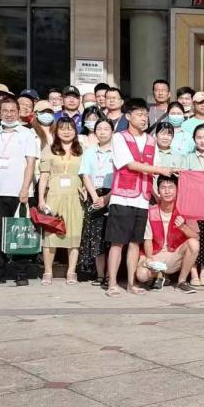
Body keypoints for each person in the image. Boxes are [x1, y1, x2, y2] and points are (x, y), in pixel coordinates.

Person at [105, 99, 175, 297]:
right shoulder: (119, 138)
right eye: (139, 114)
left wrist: (157, 194)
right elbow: (130, 164)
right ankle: (112, 283)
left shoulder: (151, 141)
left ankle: (131, 283)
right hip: (122, 197)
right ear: (128, 116)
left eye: (145, 115)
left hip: (142, 198)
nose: (144, 118)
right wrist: (161, 170)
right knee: (117, 242)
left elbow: (155, 169)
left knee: (135, 242)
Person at [0, 96, 40, 286]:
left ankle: (21, 272)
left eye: (12, 110)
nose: (9, 114)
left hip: (20, 192)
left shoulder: (27, 133)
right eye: (5, 110)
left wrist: (25, 188)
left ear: (18, 112)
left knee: (20, 232)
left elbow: (31, 162)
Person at [37, 118, 85, 285]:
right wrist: (41, 199)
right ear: (56, 131)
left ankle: (71, 271)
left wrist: (85, 189)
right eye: (63, 129)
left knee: (74, 235)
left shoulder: (82, 150)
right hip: (54, 196)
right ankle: (48, 271)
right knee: (51, 235)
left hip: (75, 197)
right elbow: (44, 176)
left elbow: (86, 174)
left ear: (75, 131)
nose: (66, 132)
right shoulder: (49, 149)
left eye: (70, 128)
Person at [135, 174, 200, 292]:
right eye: (163, 188)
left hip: (174, 254)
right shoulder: (151, 211)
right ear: (158, 190)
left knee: (194, 243)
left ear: (177, 189)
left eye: (171, 187)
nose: (167, 191)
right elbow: (147, 240)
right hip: (154, 254)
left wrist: (183, 227)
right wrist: (149, 259)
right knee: (142, 275)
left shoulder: (185, 210)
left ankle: (181, 282)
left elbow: (196, 236)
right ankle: (159, 275)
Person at [78, 118, 115, 287]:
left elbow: (121, 177)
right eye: (99, 129)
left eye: (106, 129)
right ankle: (100, 274)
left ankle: (110, 275)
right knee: (96, 237)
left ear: (112, 131)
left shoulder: (117, 151)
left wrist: (107, 198)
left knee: (111, 237)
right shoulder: (89, 152)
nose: (102, 132)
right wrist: (94, 197)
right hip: (95, 194)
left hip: (113, 195)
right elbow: (85, 175)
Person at [184, 124, 204, 286]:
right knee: (192, 236)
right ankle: (193, 273)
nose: (202, 141)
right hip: (192, 203)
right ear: (194, 139)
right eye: (199, 137)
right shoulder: (187, 158)